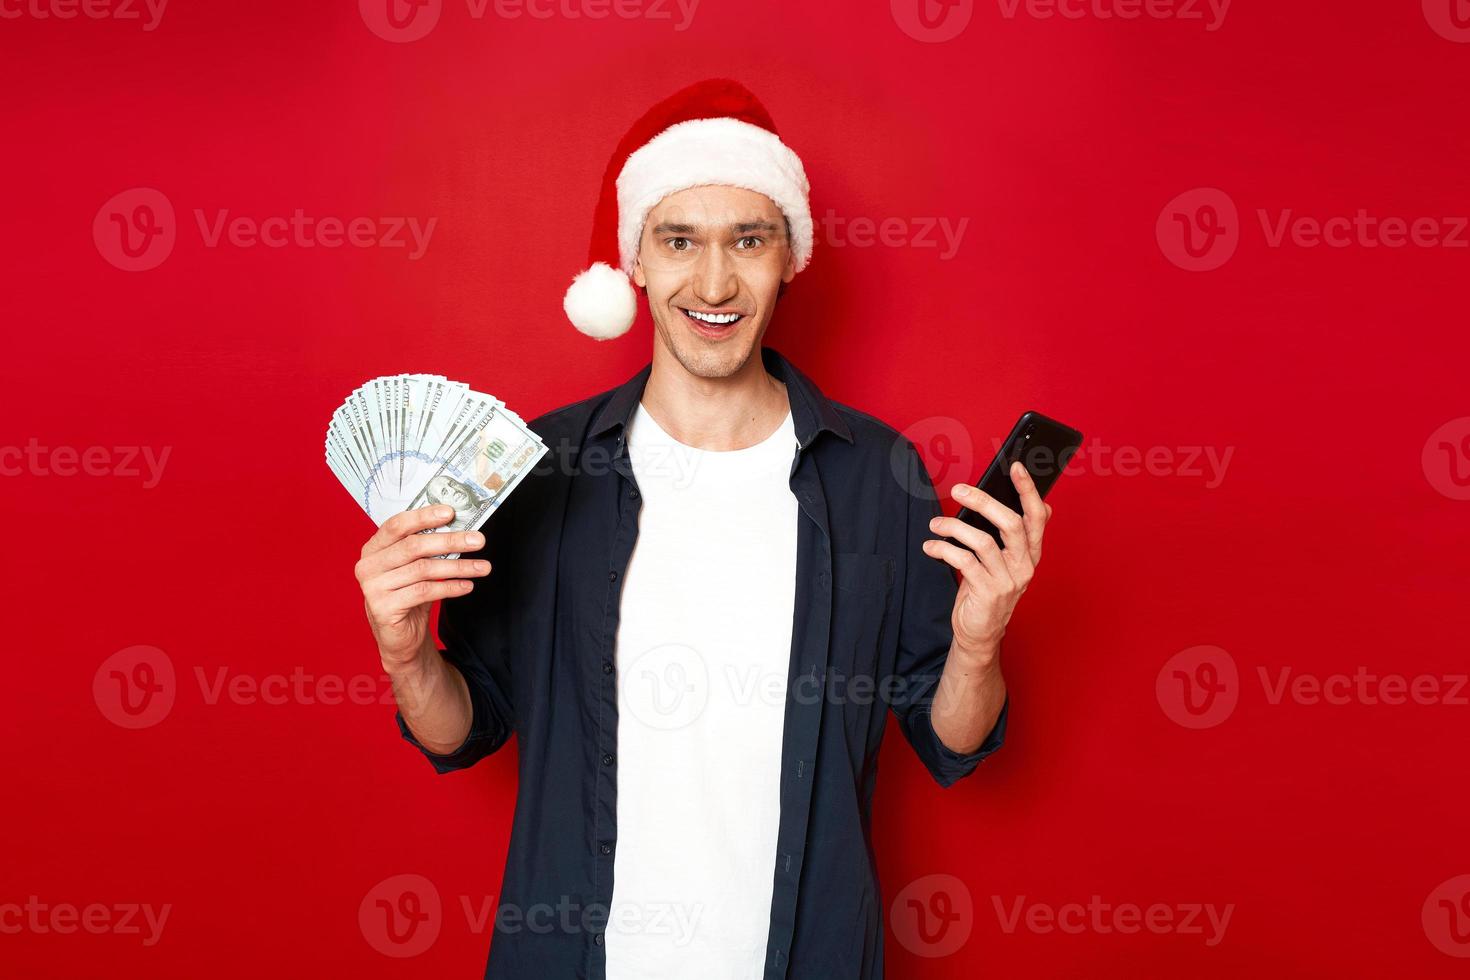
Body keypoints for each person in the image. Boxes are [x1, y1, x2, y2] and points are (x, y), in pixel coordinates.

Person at [352, 79, 1055, 980]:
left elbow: (954, 737)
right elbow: (463, 729)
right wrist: (406, 652)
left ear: (789, 258)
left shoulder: (876, 473)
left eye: (748, 242)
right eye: (679, 240)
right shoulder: (537, 468)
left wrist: (977, 639)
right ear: (634, 262)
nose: (715, 283)